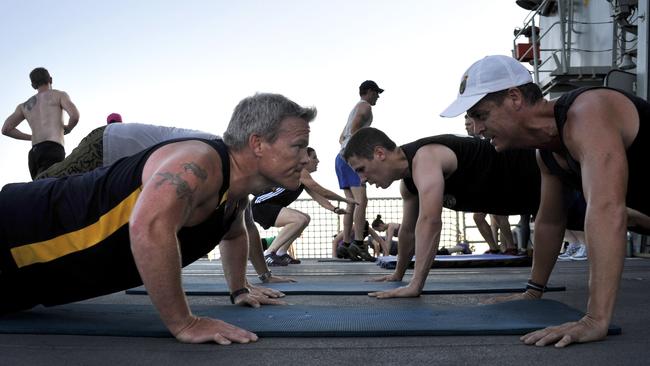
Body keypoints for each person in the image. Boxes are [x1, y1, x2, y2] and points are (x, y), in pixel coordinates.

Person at [0, 92, 315, 345]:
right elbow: (148, 226)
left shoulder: (234, 198)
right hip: (13, 232)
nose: (305, 157)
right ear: (257, 143)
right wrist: (185, 323)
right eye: (298, 146)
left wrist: (239, 290)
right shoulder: (198, 161)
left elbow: (234, 235)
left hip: (30, 282)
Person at [439, 54, 650, 347]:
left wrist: (595, 320)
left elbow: (605, 208)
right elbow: (550, 221)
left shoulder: (587, 112)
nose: (476, 128)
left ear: (514, 98)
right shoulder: (547, 154)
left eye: (481, 115)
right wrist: (533, 291)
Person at [35, 122, 295, 284]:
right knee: (43, 191)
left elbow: (241, 230)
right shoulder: (221, 159)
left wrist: (263, 277)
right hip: (107, 144)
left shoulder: (238, 182)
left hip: (123, 169)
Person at [343, 127, 543, 299]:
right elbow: (408, 232)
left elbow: (430, 221)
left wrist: (415, 285)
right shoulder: (409, 184)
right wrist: (398, 273)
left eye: (361, 169)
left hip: (541, 174)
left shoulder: (425, 157)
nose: (361, 180)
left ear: (379, 153)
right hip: (532, 199)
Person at [253, 147, 355, 265]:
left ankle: (281, 252)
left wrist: (335, 209)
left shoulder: (303, 178)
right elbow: (323, 191)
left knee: (305, 218)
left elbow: (319, 198)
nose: (318, 161)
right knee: (299, 220)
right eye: (314, 157)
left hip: (269, 206)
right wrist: (345, 199)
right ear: (305, 159)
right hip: (261, 206)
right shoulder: (300, 172)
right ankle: (269, 253)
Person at [2, 67, 80, 179]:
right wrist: (68, 128)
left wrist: (32, 137)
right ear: (51, 79)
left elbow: (6, 129)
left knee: (39, 191)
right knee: (54, 190)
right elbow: (75, 116)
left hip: (34, 154)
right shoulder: (59, 95)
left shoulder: (23, 106)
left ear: (33, 85)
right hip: (53, 149)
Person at [335, 80, 383, 261]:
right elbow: (355, 129)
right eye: (377, 92)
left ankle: (345, 245)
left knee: (351, 203)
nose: (378, 96)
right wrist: (362, 151)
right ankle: (359, 243)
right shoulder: (365, 107)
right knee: (361, 201)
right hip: (351, 157)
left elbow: (341, 137)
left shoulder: (354, 108)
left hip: (341, 158)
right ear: (369, 92)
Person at [465, 114, 518, 254]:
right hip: (484, 184)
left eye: (469, 125)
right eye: (465, 125)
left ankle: (511, 246)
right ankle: (494, 247)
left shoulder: (489, 137)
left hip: (498, 181)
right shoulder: (470, 142)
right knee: (479, 217)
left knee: (499, 214)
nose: (466, 128)